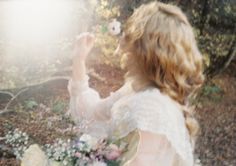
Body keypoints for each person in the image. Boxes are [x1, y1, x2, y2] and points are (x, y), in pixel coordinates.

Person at [68, 1, 204, 165]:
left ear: (143, 48)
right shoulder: (135, 92)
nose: (124, 45)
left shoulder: (151, 106)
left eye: (130, 35)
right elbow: (92, 112)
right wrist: (79, 59)